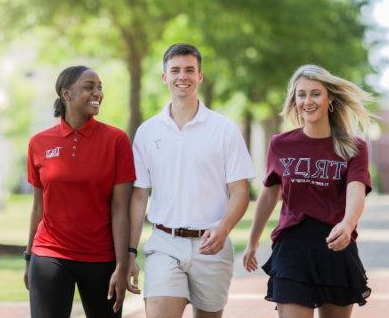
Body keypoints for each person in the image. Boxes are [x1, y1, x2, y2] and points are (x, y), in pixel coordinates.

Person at [127, 43, 256, 318]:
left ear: (200, 76)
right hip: (164, 242)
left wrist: (222, 230)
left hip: (212, 245)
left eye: (189, 70)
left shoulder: (224, 130)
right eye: (174, 70)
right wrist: (129, 252)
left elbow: (240, 192)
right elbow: (139, 196)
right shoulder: (147, 132)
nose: (182, 76)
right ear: (164, 77)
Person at [242, 64, 374, 318]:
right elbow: (269, 195)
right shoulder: (281, 144)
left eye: (315, 93)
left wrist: (347, 224)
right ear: (294, 100)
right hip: (292, 249)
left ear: (330, 99)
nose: (307, 101)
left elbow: (356, 190)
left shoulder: (353, 147)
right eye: (301, 94)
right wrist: (252, 241)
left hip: (335, 246)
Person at [24, 66, 135, 318]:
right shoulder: (39, 143)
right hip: (50, 253)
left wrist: (121, 264)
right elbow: (38, 207)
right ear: (67, 94)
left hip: (100, 257)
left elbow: (120, 208)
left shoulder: (116, 140)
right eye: (89, 87)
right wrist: (29, 257)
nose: (97, 93)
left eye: (99, 87)